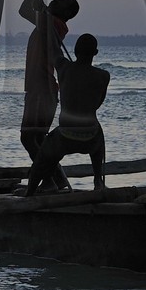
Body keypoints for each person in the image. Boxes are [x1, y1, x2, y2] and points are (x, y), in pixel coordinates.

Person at [18, 0, 77, 189]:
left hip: (42, 90)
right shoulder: (48, 21)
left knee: (28, 137)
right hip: (41, 90)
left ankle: (51, 181)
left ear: (66, 13)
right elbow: (30, 2)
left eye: (60, 1)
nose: (55, 0)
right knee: (38, 138)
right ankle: (57, 180)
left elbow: (26, 8)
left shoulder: (53, 24)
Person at [27, 32, 110, 196]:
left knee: (42, 158)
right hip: (90, 136)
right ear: (95, 53)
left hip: (65, 136)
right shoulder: (103, 76)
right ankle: (98, 180)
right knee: (98, 133)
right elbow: (97, 104)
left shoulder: (64, 68)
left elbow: (54, 50)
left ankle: (30, 191)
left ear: (75, 50)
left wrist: (49, 28)